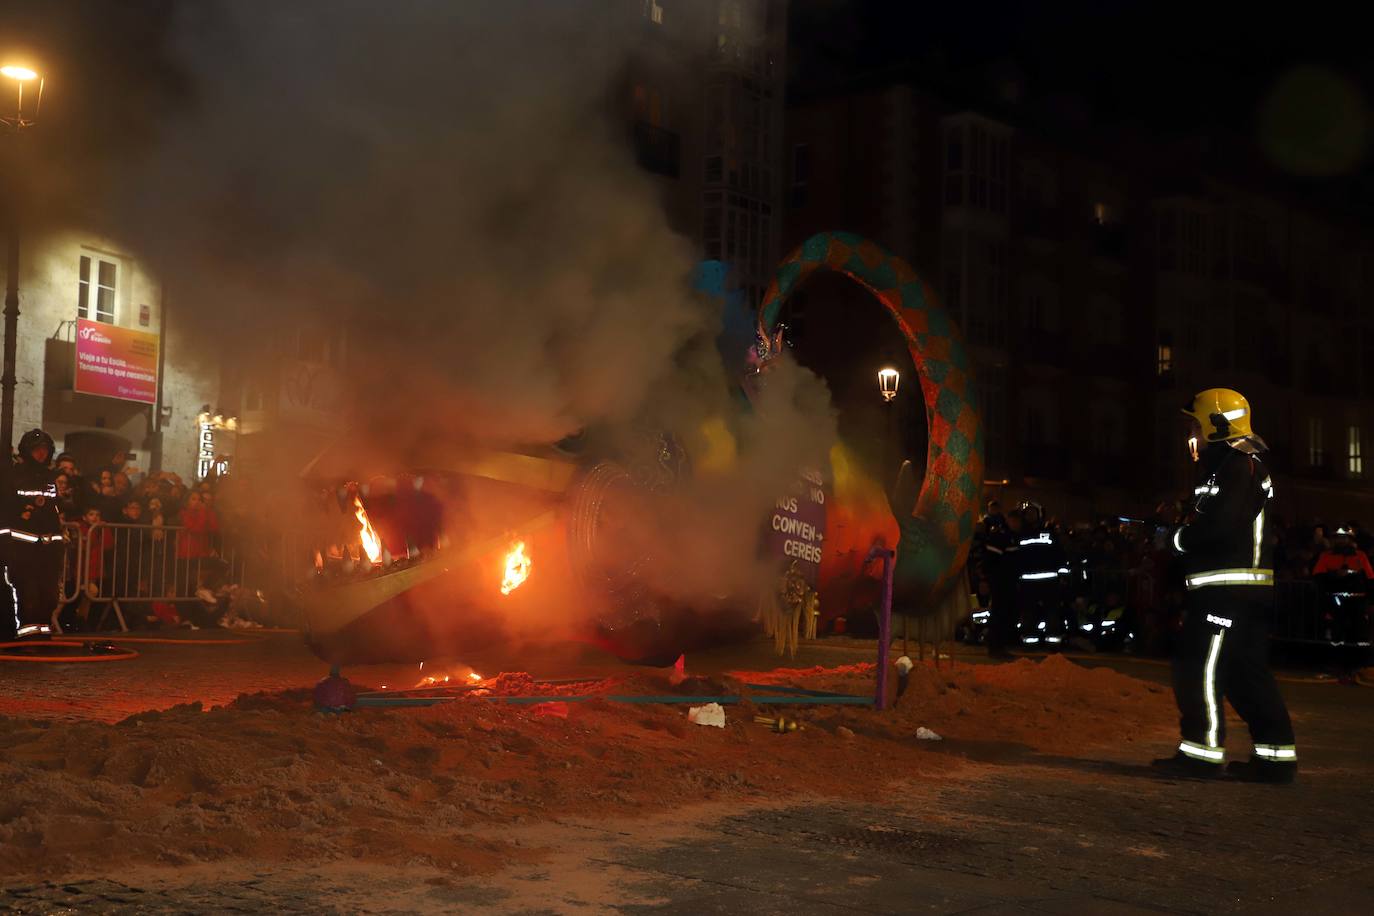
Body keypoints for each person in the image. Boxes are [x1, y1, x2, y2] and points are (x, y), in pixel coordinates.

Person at [1153, 389, 1296, 784]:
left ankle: (1201, 753)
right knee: (1245, 674)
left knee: (1197, 667)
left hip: (1226, 593)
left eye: (1195, 425)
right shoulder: (1234, 466)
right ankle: (1276, 759)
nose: (1191, 436)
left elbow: (1219, 526)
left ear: (1218, 425)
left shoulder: (1237, 466)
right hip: (1238, 593)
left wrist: (1177, 539)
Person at [1, 429, 66, 640]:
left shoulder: (50, 478)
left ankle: (43, 632)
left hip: (47, 548)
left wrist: (59, 539)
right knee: (27, 591)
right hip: (21, 547)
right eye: (37, 449)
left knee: (48, 593)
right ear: (27, 451)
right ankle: (26, 635)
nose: (41, 453)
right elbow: (6, 510)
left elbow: (55, 509)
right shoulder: (13, 475)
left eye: (45, 449)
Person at [1312, 526, 1373, 677]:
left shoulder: (1361, 556)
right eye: (1338, 538)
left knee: (1358, 634)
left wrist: (1370, 600)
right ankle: (1335, 664)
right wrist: (1335, 576)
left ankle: (1358, 665)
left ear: (1350, 540)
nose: (1341, 540)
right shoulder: (1326, 556)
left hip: (1357, 602)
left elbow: (1370, 579)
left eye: (1344, 537)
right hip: (1334, 602)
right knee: (1335, 634)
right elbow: (1318, 576)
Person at [1015, 501, 1069, 647]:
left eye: (1033, 513)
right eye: (1027, 513)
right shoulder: (1020, 535)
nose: (1030, 516)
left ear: (1039, 515)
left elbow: (1060, 555)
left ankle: (1053, 642)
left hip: (1050, 582)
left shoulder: (1050, 533)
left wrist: (1063, 575)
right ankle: (1030, 641)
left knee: (1052, 612)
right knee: (1028, 612)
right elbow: (1017, 558)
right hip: (1028, 583)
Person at [983, 507, 1023, 658]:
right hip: (1001, 582)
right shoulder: (1001, 536)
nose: (1018, 524)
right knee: (999, 614)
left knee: (1005, 613)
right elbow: (991, 560)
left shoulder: (1012, 536)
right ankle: (995, 647)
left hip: (1008, 582)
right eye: (1016, 520)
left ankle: (1000, 645)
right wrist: (989, 579)